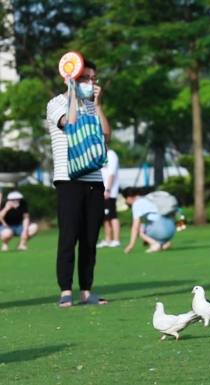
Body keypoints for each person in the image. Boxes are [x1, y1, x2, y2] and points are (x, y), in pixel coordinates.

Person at [46, 58, 110, 307]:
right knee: (68, 236)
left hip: (94, 179)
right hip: (68, 180)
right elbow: (69, 124)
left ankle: (86, 290)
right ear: (73, 78)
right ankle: (65, 290)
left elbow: (106, 137)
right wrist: (73, 92)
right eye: (86, 78)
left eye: (94, 79)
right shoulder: (56, 104)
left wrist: (97, 104)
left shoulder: (92, 106)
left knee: (90, 238)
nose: (91, 84)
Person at [122, 187, 176, 254]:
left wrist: (131, 245)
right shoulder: (148, 198)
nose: (126, 201)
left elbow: (135, 227)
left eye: (125, 199)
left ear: (129, 197)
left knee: (140, 229)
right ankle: (165, 243)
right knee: (145, 225)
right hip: (171, 228)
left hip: (161, 228)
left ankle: (155, 244)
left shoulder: (137, 204)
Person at [97, 148, 121, 248]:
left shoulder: (111, 155)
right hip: (102, 191)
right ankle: (108, 239)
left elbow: (112, 174)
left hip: (110, 192)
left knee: (112, 216)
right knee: (105, 217)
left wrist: (108, 189)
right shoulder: (101, 155)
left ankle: (116, 239)